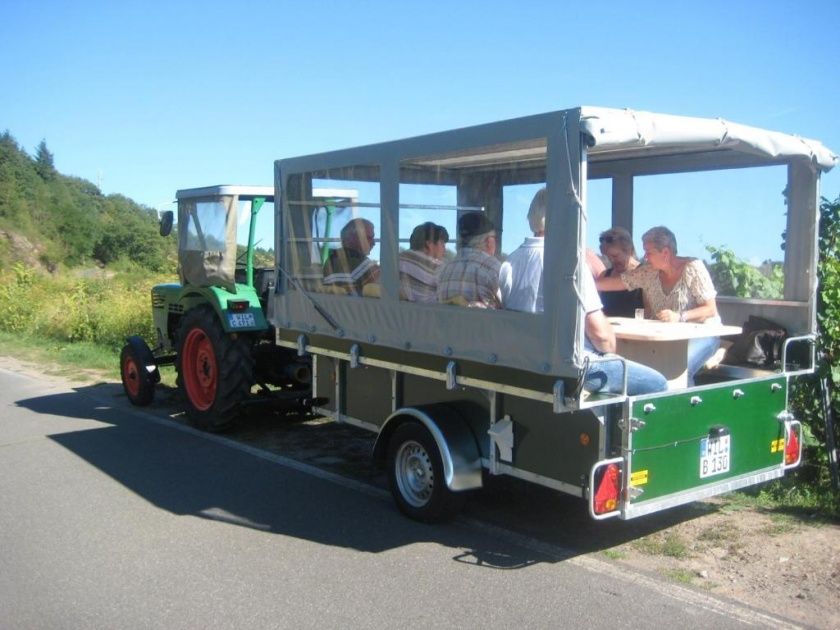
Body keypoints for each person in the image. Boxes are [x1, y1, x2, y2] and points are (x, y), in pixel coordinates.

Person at [500, 187, 666, 395]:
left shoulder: (509, 262)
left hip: (530, 364)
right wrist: (611, 351)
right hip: (576, 368)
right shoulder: (570, 263)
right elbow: (601, 336)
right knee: (659, 383)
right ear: (566, 218)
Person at [597, 225, 720, 385]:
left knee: (679, 369)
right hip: (670, 338)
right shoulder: (649, 272)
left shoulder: (693, 267)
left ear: (665, 253)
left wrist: (680, 316)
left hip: (703, 335)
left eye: (648, 252)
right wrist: (580, 282)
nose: (645, 257)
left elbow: (710, 309)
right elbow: (616, 283)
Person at [437, 211, 501, 308]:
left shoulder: (443, 270)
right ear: (489, 241)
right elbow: (509, 307)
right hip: (482, 318)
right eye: (494, 237)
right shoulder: (493, 267)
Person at [322, 218, 380, 295]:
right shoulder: (363, 265)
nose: (373, 243)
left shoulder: (330, 261)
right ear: (352, 238)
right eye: (369, 238)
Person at [597, 227, 644, 317]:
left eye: (615, 256)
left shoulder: (644, 274)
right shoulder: (604, 275)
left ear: (629, 250)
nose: (612, 260)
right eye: (608, 257)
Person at [399, 222, 449, 303]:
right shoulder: (438, 268)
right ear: (429, 244)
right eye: (442, 244)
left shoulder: (397, 260)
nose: (444, 249)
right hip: (429, 310)